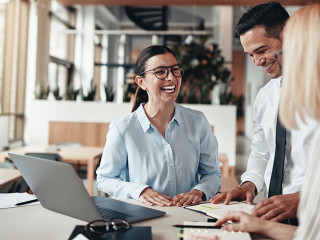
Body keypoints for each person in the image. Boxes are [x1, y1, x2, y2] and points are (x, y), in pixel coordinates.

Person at [215, 3, 320, 239]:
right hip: (269, 211)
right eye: (251, 55)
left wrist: (305, 198)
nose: (257, 61)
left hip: (312, 210)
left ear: (287, 36)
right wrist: (249, 184)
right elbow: (261, 152)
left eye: (262, 50)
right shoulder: (265, 96)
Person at [96, 45, 221, 207]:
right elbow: (104, 179)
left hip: (189, 214)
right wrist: (139, 191)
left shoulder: (197, 122)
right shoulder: (123, 128)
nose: (171, 78)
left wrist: (199, 191)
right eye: (160, 72)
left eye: (175, 70)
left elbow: (212, 173)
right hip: (142, 215)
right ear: (141, 82)